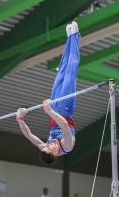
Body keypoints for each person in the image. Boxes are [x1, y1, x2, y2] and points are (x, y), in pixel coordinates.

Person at [16, 21, 80, 165]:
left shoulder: (45, 147)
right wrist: (49, 111)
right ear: (56, 153)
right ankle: (76, 36)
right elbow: (64, 125)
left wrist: (20, 120)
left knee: (61, 71)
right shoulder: (67, 146)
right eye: (48, 147)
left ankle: (70, 36)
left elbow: (29, 135)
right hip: (65, 108)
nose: (46, 144)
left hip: (53, 105)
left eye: (44, 146)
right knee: (70, 71)